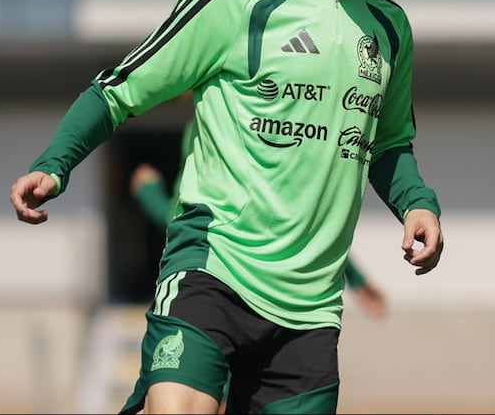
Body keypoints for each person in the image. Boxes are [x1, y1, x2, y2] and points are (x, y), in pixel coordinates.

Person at [10, 0, 444, 415]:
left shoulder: (390, 29)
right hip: (214, 270)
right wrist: (55, 163)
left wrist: (417, 204)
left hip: (310, 309)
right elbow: (119, 91)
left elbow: (389, 144)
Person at [128, 117, 387, 319]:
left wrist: (150, 195)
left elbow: (181, 218)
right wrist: (355, 278)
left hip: (237, 283)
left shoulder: (232, 125)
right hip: (231, 282)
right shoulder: (209, 124)